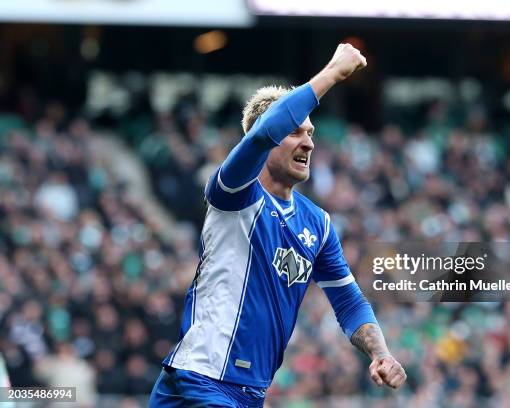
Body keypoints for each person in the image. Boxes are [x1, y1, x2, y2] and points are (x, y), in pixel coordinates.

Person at [149, 43, 406, 408]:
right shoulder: (234, 192)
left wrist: (380, 352)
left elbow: (349, 301)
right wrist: (332, 72)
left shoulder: (317, 223)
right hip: (201, 381)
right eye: (296, 132)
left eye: (312, 133)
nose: (309, 143)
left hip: (248, 394)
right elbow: (259, 135)